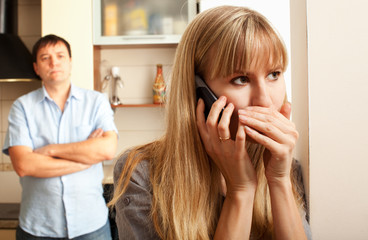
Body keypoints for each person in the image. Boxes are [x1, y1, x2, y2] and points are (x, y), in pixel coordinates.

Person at [109, 6, 312, 240]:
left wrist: (278, 181)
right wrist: (241, 191)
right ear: (199, 91)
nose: (265, 100)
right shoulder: (141, 174)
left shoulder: (285, 167)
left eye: (274, 74)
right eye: (241, 79)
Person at [2, 34, 118, 239]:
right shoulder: (22, 107)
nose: (53, 62)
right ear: (37, 68)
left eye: (60, 55)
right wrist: (85, 161)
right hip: (38, 228)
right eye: (45, 57)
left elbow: (108, 149)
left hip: (91, 227)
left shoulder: (97, 102)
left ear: (70, 62)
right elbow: (23, 165)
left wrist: (50, 150)